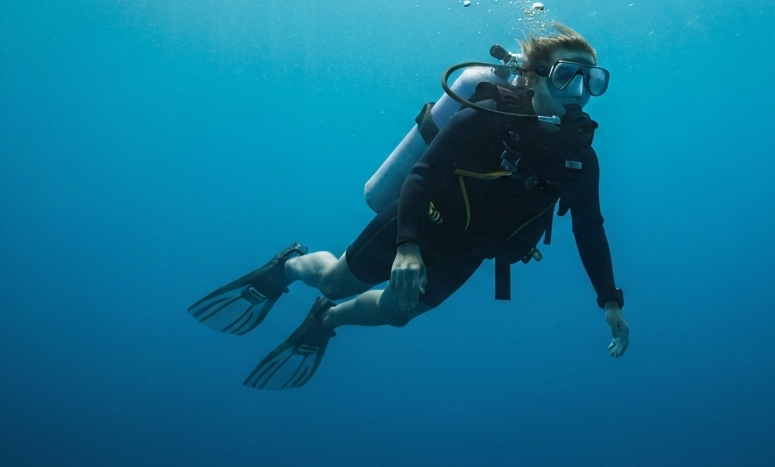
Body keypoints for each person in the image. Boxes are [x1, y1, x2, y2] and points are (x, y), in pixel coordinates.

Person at [188, 24, 629, 389]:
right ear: (533, 76)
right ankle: (288, 266)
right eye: (566, 74)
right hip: (417, 223)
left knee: (397, 316)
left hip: (469, 252)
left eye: (594, 80)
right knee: (334, 281)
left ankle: (327, 321)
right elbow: (422, 173)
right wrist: (408, 247)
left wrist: (609, 301)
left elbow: (590, 227)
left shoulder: (579, 157)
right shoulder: (487, 115)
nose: (580, 90)